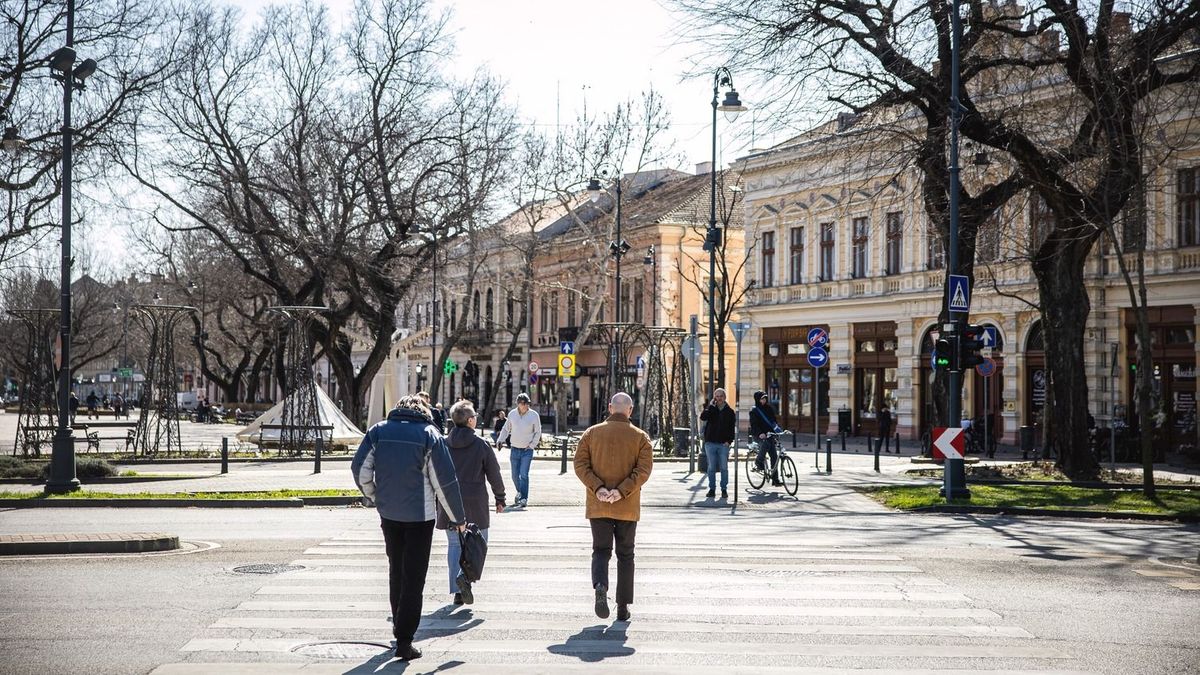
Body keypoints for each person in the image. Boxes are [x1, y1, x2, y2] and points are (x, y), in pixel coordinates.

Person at [351, 395, 467, 662]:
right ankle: (404, 640)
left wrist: (373, 495)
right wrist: (458, 519)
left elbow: (360, 469)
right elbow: (445, 482)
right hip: (419, 517)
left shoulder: (378, 431)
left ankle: (398, 628)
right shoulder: (430, 435)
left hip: (388, 513)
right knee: (414, 578)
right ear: (423, 411)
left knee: (397, 571)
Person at [574, 392, 653, 623]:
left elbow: (580, 464)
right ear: (629, 410)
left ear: (610, 408)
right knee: (626, 555)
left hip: (598, 504)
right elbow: (643, 471)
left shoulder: (591, 433)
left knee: (600, 550)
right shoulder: (640, 437)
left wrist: (598, 488)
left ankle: (600, 586)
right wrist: (621, 490)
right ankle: (622, 607)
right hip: (627, 505)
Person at [437, 400, 506, 606]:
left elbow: (434, 473)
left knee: (453, 545)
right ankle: (465, 578)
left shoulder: (443, 443)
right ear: (469, 421)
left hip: (449, 501)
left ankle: (458, 589)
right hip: (476, 501)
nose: (476, 418)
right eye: (474, 416)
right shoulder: (481, 444)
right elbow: (494, 473)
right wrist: (500, 497)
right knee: (477, 544)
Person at [496, 392, 541, 507]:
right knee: (514, 475)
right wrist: (500, 440)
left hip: (527, 450)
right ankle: (520, 492)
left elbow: (538, 432)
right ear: (518, 404)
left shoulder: (534, 415)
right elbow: (506, 429)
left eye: (527, 404)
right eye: (524, 404)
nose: (526, 406)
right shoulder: (512, 414)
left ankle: (524, 498)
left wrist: (531, 445)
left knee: (524, 474)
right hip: (515, 449)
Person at [698, 388, 736, 499]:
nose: (719, 398)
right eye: (717, 396)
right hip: (710, 443)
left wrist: (729, 441)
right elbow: (703, 417)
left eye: (721, 396)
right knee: (711, 467)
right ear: (714, 397)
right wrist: (710, 406)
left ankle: (724, 489)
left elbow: (731, 428)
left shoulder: (730, 412)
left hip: (723, 444)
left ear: (725, 397)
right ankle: (712, 489)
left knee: (724, 467)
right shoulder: (711, 409)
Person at [749, 390, 784, 486]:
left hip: (770, 434)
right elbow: (754, 425)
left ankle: (775, 479)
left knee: (774, 456)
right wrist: (760, 433)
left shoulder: (769, 408)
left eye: (765, 398)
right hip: (759, 435)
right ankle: (758, 461)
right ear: (757, 399)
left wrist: (777, 431)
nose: (764, 400)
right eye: (762, 399)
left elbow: (773, 421)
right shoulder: (754, 410)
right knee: (765, 444)